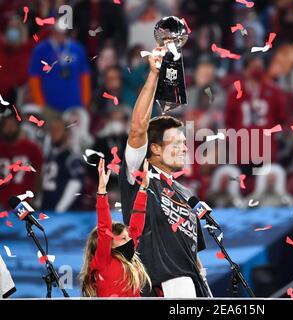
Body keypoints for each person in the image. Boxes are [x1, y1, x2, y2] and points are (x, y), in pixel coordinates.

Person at [119, 47, 211, 297]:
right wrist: (154, 73)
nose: (184, 147)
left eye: (184, 142)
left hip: (192, 289)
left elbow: (194, 258)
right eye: (177, 143)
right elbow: (138, 129)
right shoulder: (140, 176)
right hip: (160, 287)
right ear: (156, 149)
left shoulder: (186, 193)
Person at [80, 159, 151, 297]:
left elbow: (136, 227)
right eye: (124, 238)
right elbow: (104, 227)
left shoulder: (129, 258)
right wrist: (101, 191)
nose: (130, 240)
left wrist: (143, 188)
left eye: (128, 237)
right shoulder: (103, 260)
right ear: (110, 244)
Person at [28, 24, 91, 114]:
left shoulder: (77, 49)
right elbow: (34, 77)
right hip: (50, 106)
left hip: (74, 105)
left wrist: (85, 101)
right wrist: (40, 103)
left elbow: (85, 75)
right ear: (52, 30)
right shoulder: (40, 50)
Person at [0, 111, 43, 209]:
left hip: (24, 203)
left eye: (13, 125)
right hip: (2, 204)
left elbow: (38, 175)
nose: (10, 129)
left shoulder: (31, 148)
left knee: (22, 224)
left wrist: (34, 198)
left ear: (18, 126)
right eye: (6, 125)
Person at [41, 118, 85, 212]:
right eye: (52, 130)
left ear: (66, 134)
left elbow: (76, 184)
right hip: (46, 209)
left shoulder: (72, 156)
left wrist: (60, 209)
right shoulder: (50, 155)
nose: (53, 133)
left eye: (57, 130)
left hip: (65, 214)